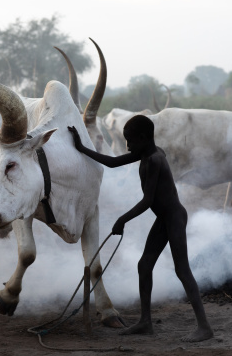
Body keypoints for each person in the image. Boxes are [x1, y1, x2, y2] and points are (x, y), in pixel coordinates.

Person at [67, 116, 213, 342]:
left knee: (182, 271)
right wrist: (80, 148)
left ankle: (204, 327)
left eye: (130, 141)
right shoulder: (143, 152)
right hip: (164, 219)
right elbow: (112, 163)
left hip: (173, 218)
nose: (128, 146)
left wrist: (122, 219)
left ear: (144, 139)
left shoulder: (155, 159)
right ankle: (146, 322)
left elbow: (147, 201)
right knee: (144, 265)